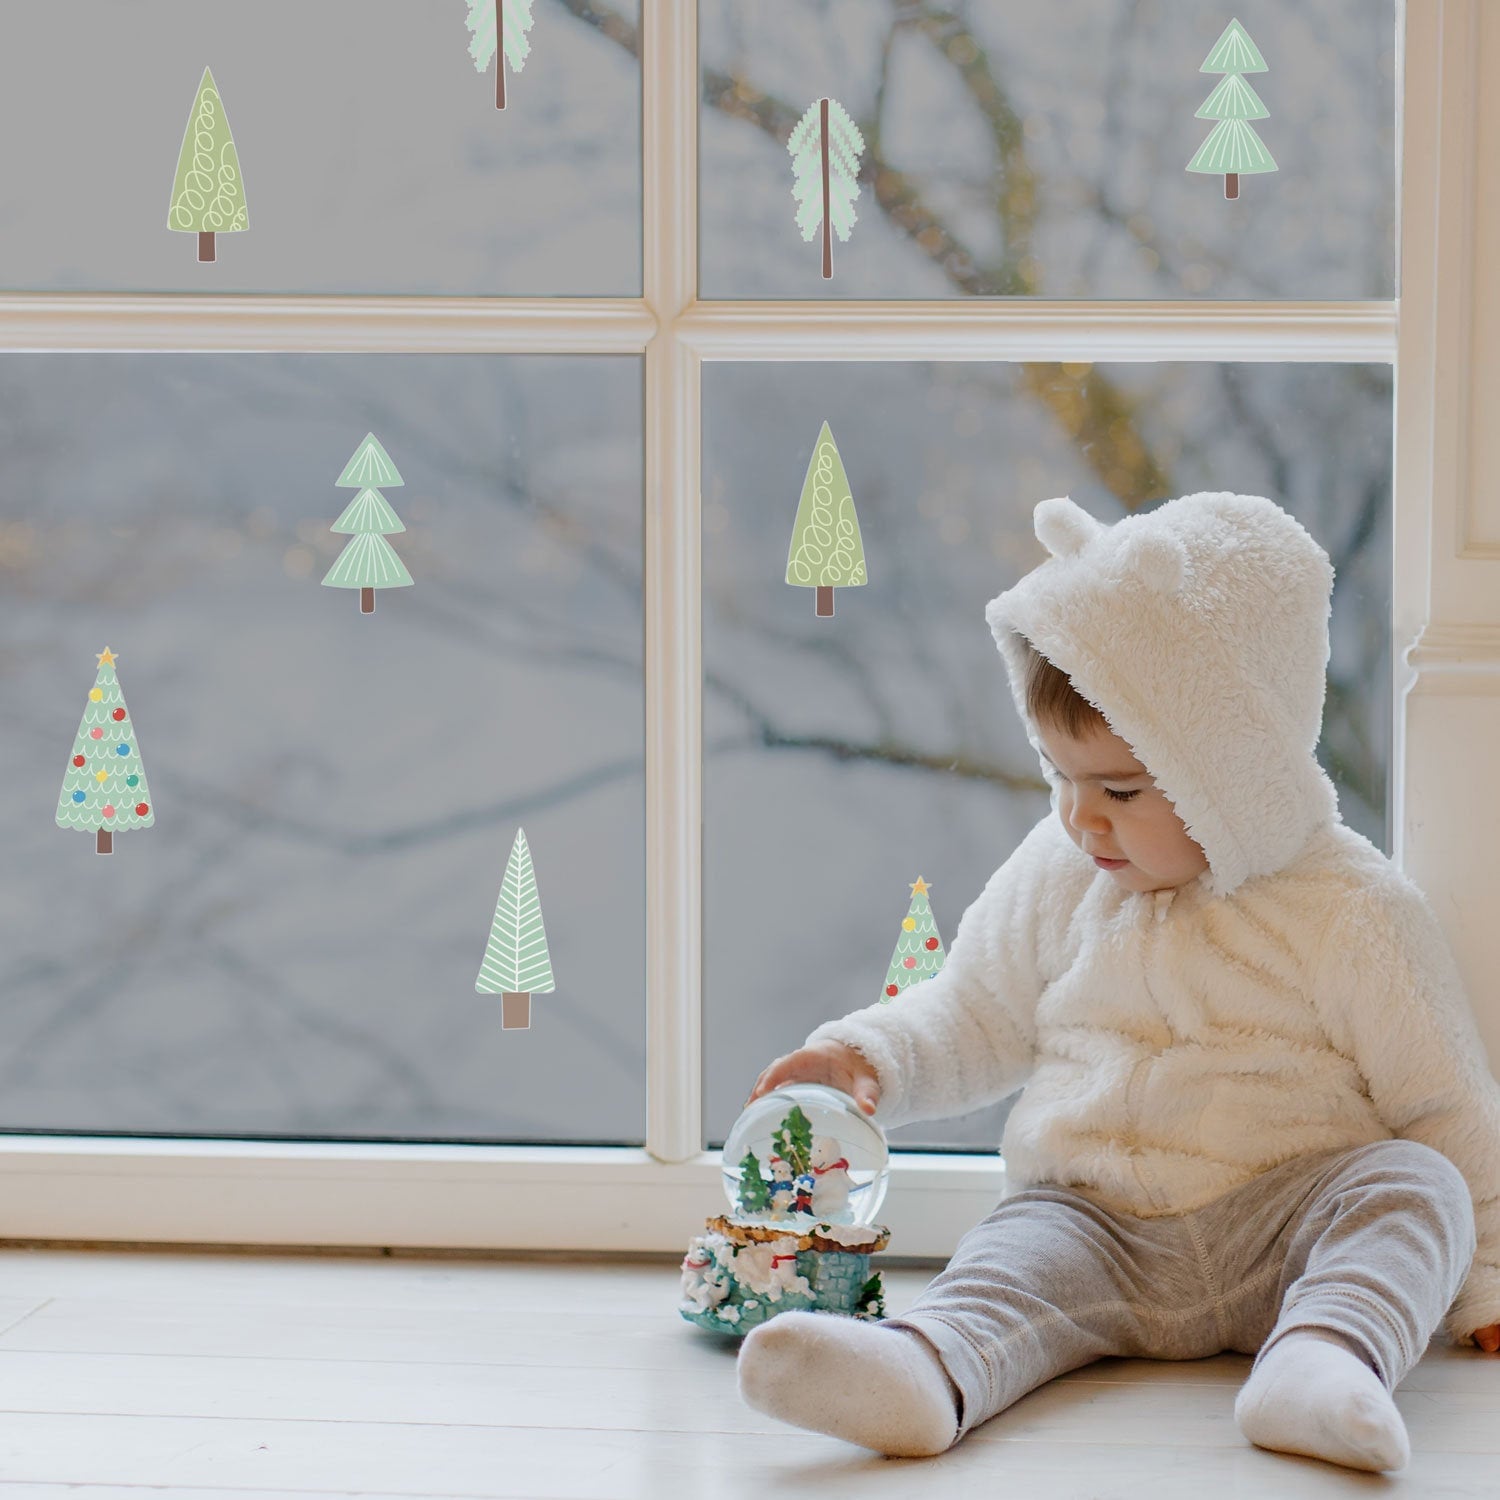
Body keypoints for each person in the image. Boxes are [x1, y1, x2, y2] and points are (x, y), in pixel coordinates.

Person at [735, 491, 1500, 1474]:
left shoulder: (1348, 907)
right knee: (1008, 1254)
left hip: (1290, 1222)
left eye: (1121, 791)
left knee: (1412, 1186)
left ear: (1235, 767)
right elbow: (974, 1010)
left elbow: (1443, 1099)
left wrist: (1488, 1284)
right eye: (1061, 778)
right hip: (1091, 1225)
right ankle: (928, 1371)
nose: (1081, 821)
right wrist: (863, 1055)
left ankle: (1324, 1362)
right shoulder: (1057, 878)